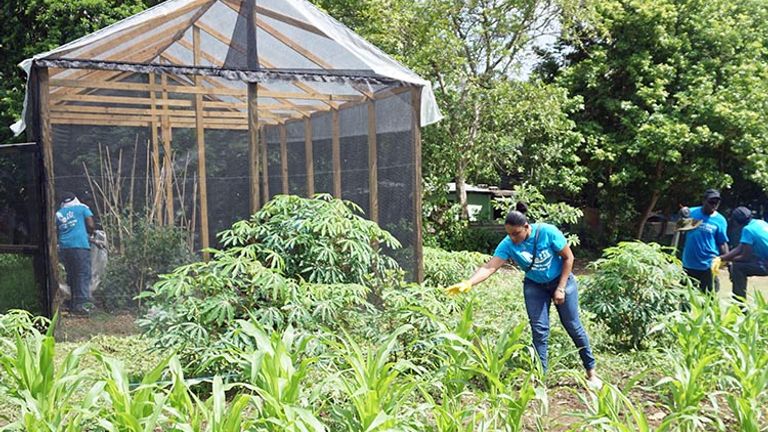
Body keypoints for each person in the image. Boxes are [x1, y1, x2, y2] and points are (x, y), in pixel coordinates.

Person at [445, 203, 600, 388]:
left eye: (516, 233)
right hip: (535, 285)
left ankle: (591, 373)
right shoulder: (508, 244)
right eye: (509, 234)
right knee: (539, 330)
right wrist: (468, 282)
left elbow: (569, 258)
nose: (512, 238)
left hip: (561, 280)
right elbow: (490, 266)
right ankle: (540, 378)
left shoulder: (548, 232)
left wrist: (560, 288)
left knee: (572, 325)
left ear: (527, 227)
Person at [680, 189, 729, 293]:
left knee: (708, 299)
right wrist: (682, 217)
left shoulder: (720, 220)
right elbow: (680, 229)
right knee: (685, 299)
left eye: (717, 202)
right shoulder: (692, 212)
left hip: (708, 265)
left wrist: (727, 261)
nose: (714, 205)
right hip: (689, 263)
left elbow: (722, 243)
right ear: (704, 201)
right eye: (711, 202)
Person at [55, 192, 95, 315]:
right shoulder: (82, 208)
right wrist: (90, 233)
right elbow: (90, 224)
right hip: (80, 246)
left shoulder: (58, 213)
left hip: (64, 247)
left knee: (71, 275)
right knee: (83, 274)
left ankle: (73, 304)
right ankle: (82, 306)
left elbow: (55, 229)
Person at [718, 206, 768, 303]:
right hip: (764, 259)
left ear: (736, 222)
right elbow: (741, 247)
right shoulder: (760, 222)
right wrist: (722, 258)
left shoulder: (747, 230)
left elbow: (745, 257)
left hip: (765, 263)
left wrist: (730, 261)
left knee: (737, 267)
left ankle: (740, 305)